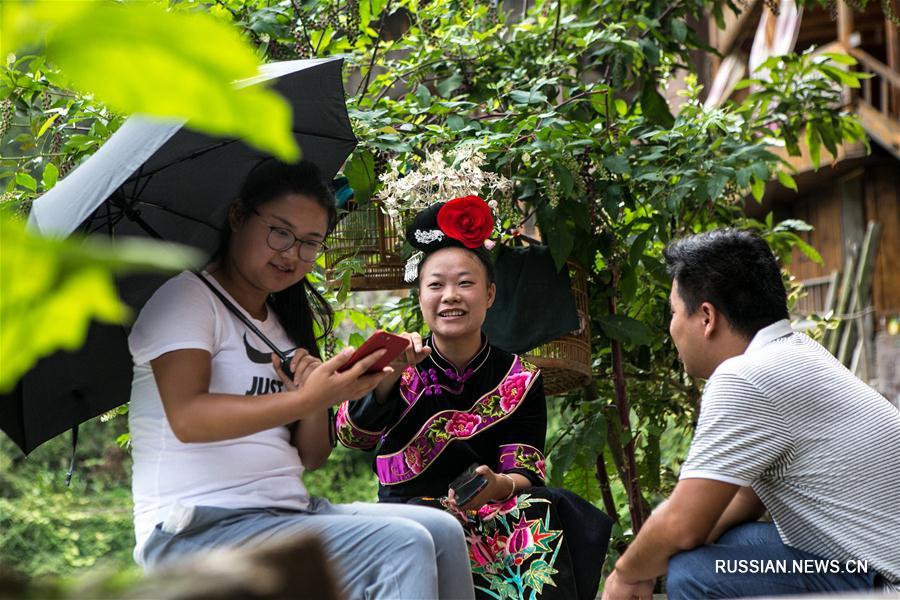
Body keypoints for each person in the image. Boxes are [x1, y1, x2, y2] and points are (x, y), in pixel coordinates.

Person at [128, 159, 475, 600]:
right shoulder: (186, 299)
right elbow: (188, 417)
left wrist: (318, 398)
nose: (291, 254)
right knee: (401, 545)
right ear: (238, 217)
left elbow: (312, 455)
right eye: (280, 232)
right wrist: (308, 397)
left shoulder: (278, 322)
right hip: (195, 530)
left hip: (286, 514)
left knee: (442, 530)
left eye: (310, 243)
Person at [337, 196, 612, 600]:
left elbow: (526, 470)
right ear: (421, 298)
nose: (450, 295)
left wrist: (498, 484)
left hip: (492, 510)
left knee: (541, 506)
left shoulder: (520, 376)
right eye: (436, 285)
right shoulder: (395, 362)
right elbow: (350, 436)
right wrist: (386, 378)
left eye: (465, 283)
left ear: (490, 295)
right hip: (411, 513)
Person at [601, 229, 900, 600]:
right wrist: (663, 552)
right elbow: (745, 499)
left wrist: (626, 573)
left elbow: (683, 524)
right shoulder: (796, 352)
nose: (671, 328)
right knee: (728, 543)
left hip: (883, 580)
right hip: (866, 561)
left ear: (707, 317)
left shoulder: (745, 377)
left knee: (694, 574)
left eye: (673, 312)